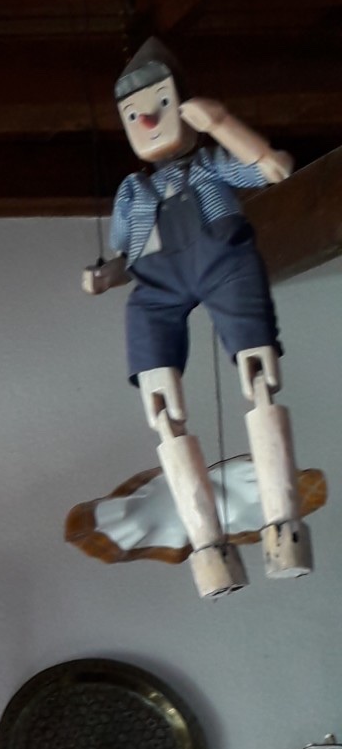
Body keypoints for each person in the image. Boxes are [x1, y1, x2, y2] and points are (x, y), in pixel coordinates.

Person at [82, 38, 308, 599]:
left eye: (158, 104)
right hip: (158, 285)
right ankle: (208, 550)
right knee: (163, 408)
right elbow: (127, 257)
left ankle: (284, 530)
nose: (146, 120)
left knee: (258, 377)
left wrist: (223, 123)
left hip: (223, 264)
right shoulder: (132, 192)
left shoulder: (210, 164)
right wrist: (105, 277)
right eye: (132, 114)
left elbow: (275, 168)